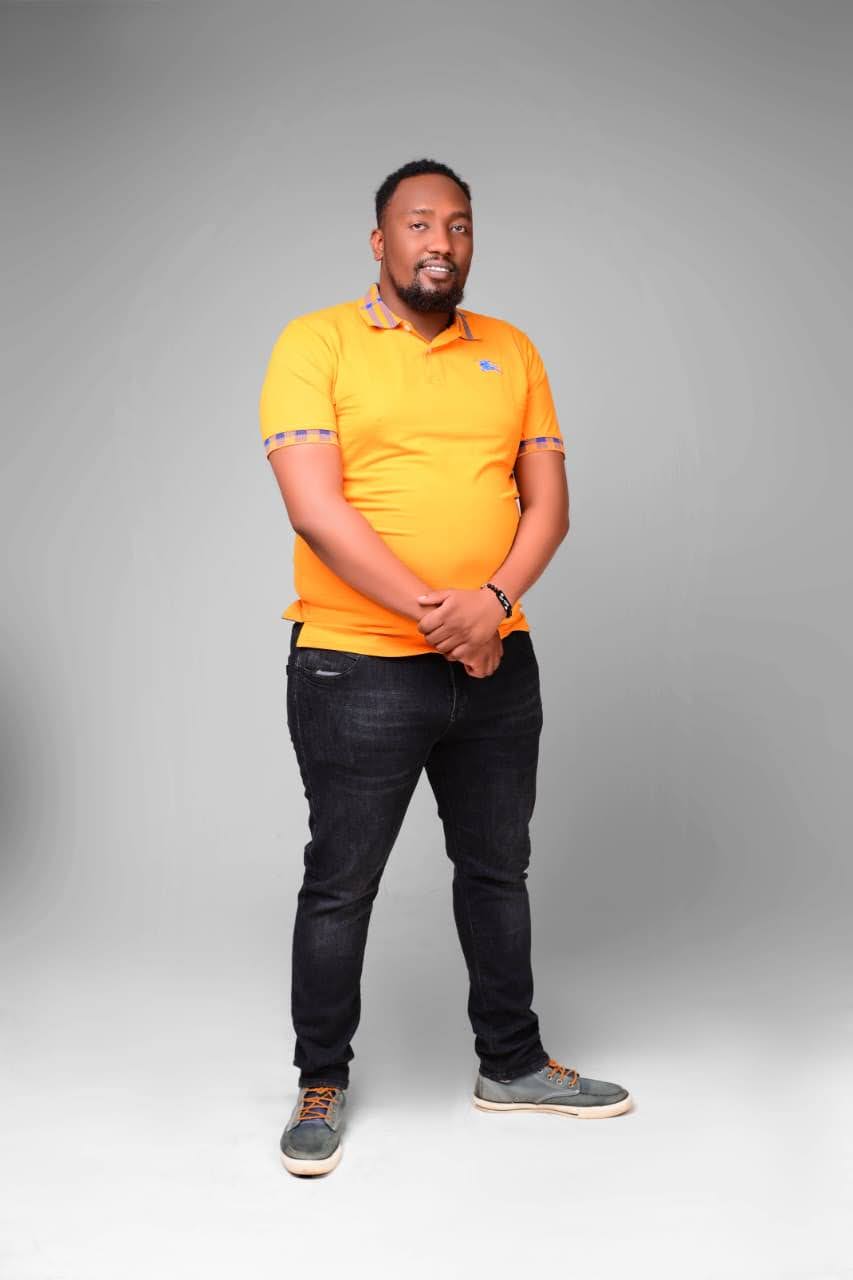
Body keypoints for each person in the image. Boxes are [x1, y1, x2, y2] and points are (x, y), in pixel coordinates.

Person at [259, 158, 633, 1178]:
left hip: (499, 660)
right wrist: (444, 617)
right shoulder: (315, 341)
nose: (440, 242)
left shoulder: (511, 349)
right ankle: (320, 1077)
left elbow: (547, 503)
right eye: (418, 223)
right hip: (352, 666)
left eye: (459, 225)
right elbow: (315, 508)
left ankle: (511, 1063)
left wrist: (493, 605)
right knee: (341, 882)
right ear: (378, 241)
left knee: (497, 867)